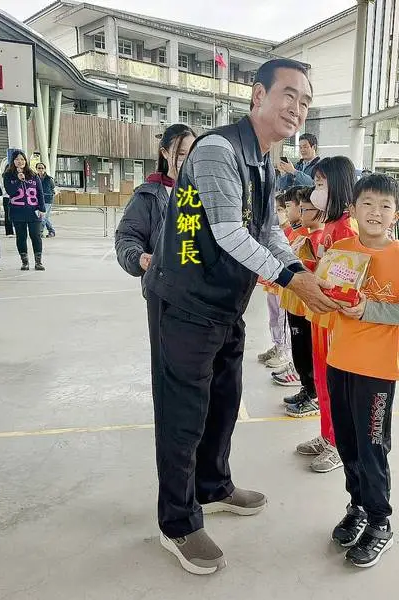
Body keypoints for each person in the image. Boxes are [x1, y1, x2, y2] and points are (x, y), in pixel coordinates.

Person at [145, 57, 339, 575]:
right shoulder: (218, 150)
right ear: (258, 96)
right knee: (183, 415)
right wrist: (292, 280)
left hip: (224, 305)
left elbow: (268, 229)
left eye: (305, 101)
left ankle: (212, 487)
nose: (297, 108)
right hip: (186, 303)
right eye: (288, 95)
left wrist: (299, 269)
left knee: (224, 402)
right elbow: (230, 232)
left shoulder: (265, 159)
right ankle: (177, 522)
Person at [327, 173, 399, 568]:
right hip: (340, 362)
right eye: (367, 203)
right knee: (347, 443)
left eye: (385, 205)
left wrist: (368, 309)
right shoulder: (341, 250)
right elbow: (326, 293)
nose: (375, 211)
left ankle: (380, 520)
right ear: (353, 209)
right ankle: (357, 506)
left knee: (372, 446)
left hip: (378, 370)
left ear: (395, 214)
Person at [286, 155, 357, 475]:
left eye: (319, 184)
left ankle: (339, 443)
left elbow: (348, 279)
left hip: (335, 318)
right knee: (322, 380)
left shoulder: (347, 228)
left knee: (335, 384)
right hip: (319, 314)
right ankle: (328, 435)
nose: (315, 191)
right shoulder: (330, 225)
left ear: (337, 186)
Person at [115, 123, 195, 295]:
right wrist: (138, 257)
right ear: (164, 153)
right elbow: (127, 237)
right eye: (181, 154)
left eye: (193, 153)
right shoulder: (147, 196)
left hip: (201, 292)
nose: (188, 160)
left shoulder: (205, 192)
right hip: (164, 291)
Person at [276, 186, 323, 410]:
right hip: (294, 301)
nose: (301, 213)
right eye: (301, 208)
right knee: (298, 349)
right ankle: (306, 387)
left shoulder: (319, 239)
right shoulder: (302, 235)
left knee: (306, 350)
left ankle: (312, 393)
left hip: (306, 306)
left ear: (320, 212)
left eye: (306, 209)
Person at [257, 192, 295, 371]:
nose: (279, 213)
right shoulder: (271, 231)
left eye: (282, 209)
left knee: (282, 318)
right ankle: (277, 344)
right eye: (277, 209)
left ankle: (284, 351)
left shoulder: (291, 232)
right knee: (273, 317)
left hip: (283, 286)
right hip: (271, 284)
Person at [3, 151, 46, 271]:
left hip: (33, 210)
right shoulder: (8, 175)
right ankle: (24, 262)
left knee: (36, 236)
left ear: (26, 161)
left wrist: (42, 208)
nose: (20, 162)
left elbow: (40, 192)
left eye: (22, 159)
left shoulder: (33, 175)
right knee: (21, 237)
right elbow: (10, 191)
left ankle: (38, 262)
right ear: (13, 161)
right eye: (17, 159)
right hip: (17, 211)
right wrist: (18, 180)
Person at [36, 163, 57, 238]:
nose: (41, 169)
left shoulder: (49, 179)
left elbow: (53, 189)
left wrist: (50, 195)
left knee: (43, 216)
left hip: (47, 200)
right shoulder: (35, 178)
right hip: (38, 200)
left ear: (45, 169)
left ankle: (39, 232)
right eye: (39, 168)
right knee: (45, 217)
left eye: (42, 168)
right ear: (36, 169)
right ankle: (51, 231)